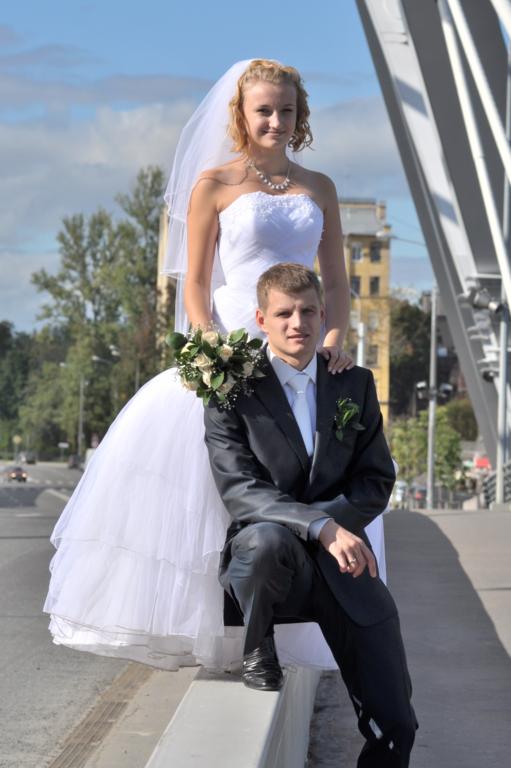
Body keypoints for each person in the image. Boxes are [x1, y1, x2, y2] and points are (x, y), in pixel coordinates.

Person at [44, 58, 386, 672]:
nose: (276, 121)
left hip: (300, 348)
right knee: (213, 499)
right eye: (264, 110)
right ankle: (234, 638)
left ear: (300, 115)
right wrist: (211, 348)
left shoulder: (321, 188)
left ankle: (292, 623)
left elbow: (336, 282)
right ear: (241, 114)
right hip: (234, 349)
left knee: (299, 479)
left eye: (287, 110)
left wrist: (334, 338)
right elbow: (196, 284)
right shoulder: (215, 184)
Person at [204, 263, 417, 766]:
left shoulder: (355, 383)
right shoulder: (231, 389)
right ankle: (259, 644)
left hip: (343, 566)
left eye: (307, 311)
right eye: (284, 313)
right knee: (266, 541)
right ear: (262, 320)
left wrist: (333, 527)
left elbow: (375, 480)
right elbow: (240, 489)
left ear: (323, 316)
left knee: (397, 723)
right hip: (272, 566)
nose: (296, 323)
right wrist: (321, 527)